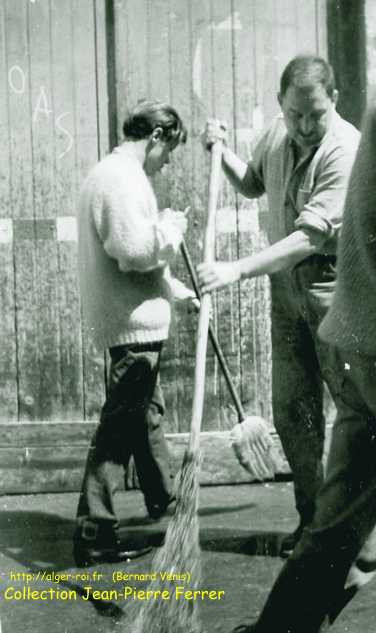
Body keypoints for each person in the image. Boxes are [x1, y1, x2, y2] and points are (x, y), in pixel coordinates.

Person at [226, 24, 376, 632]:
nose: (301, 125)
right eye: (293, 114)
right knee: (331, 479)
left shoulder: (375, 113)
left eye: (311, 114)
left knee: (340, 520)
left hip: (373, 336)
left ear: (333, 101)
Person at [74, 100, 195, 566]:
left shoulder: (108, 173)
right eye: (170, 150)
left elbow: (131, 261)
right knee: (122, 426)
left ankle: (164, 503)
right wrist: (171, 230)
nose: (168, 162)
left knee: (146, 415)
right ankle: (95, 529)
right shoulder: (122, 178)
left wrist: (175, 290)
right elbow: (132, 250)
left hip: (129, 317)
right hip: (132, 325)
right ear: (158, 136)